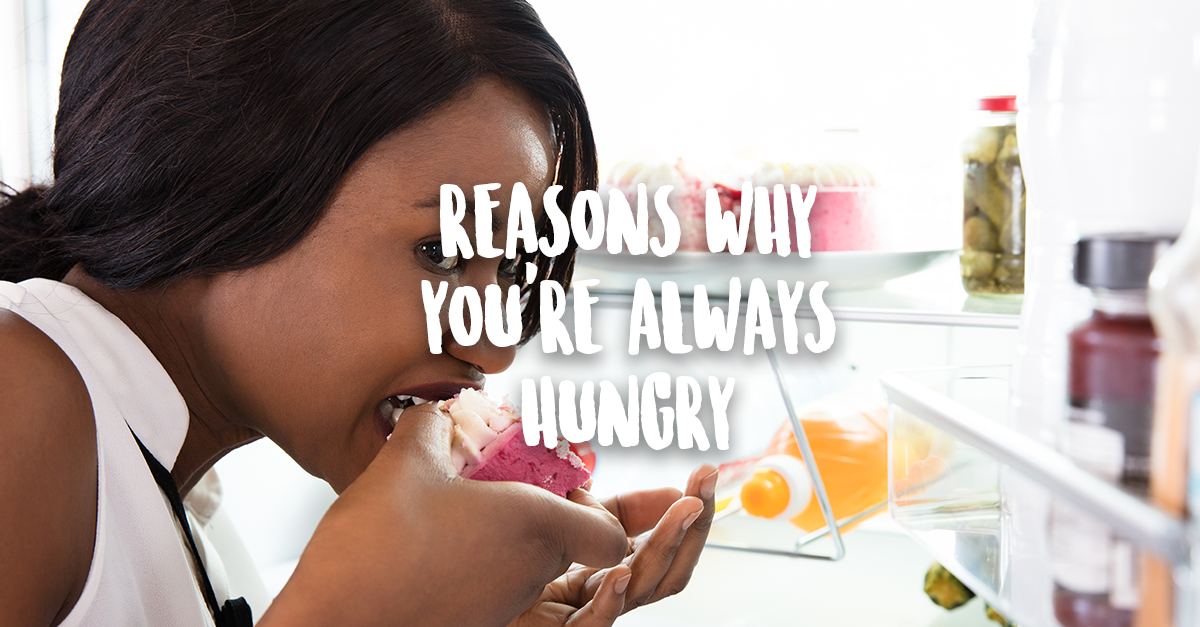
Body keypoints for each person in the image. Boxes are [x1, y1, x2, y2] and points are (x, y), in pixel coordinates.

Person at [0, 1, 718, 625]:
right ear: (218, 190)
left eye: (513, 269)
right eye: (440, 253)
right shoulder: (19, 397)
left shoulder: (168, 480)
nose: (495, 345)